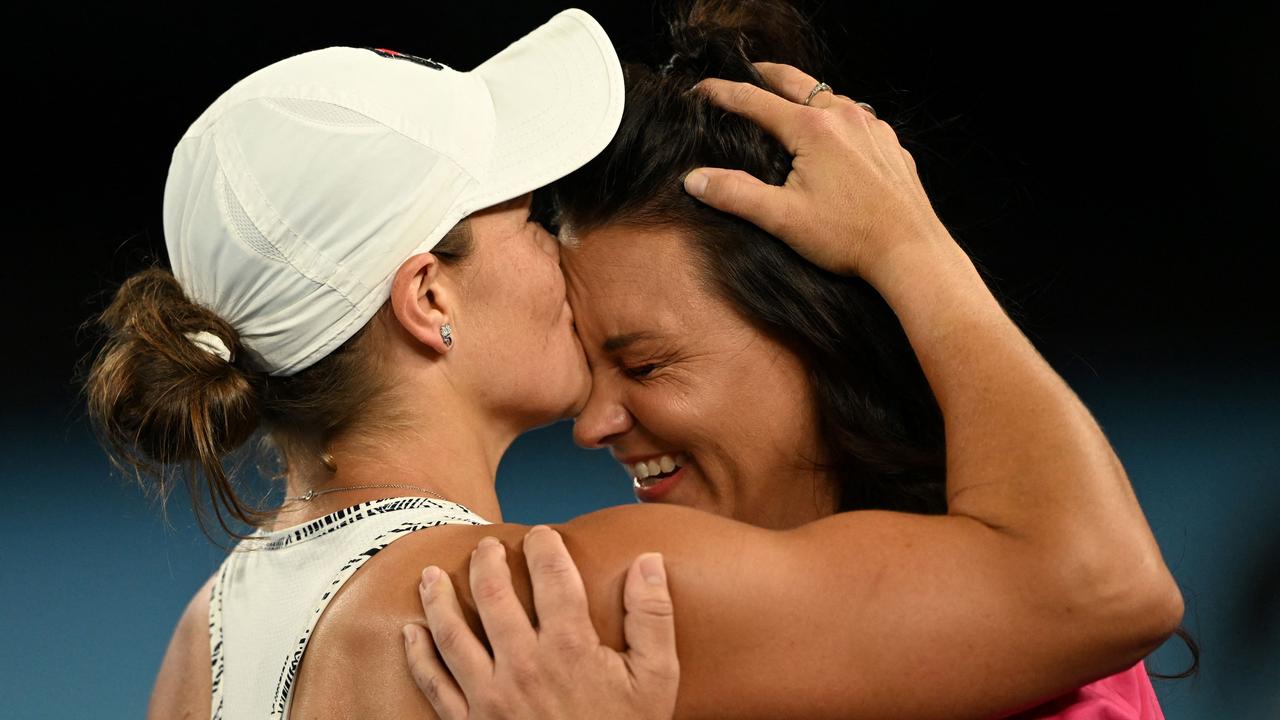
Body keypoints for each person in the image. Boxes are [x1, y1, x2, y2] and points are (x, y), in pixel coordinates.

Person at [85, 6, 1180, 720]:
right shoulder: (569, 597)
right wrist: (907, 244)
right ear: (427, 298)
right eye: (523, 213)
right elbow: (1103, 584)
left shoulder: (199, 651)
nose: (553, 246)